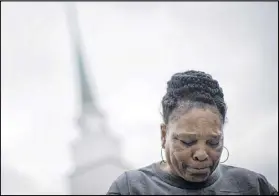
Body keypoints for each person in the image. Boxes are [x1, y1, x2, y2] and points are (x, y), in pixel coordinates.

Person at [107, 70, 278, 195]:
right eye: (187, 141)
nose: (202, 154)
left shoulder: (253, 186)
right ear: (164, 135)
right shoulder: (131, 188)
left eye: (213, 142)